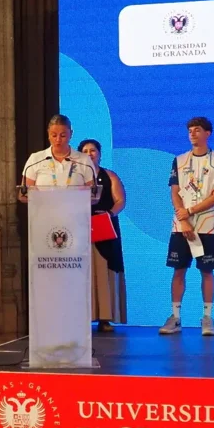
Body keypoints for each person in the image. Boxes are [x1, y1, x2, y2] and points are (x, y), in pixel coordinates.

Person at [159, 117, 214, 336]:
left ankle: (207, 318)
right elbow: (175, 192)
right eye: (190, 130)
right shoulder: (179, 161)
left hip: (207, 226)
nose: (192, 133)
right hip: (181, 226)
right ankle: (175, 317)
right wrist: (183, 219)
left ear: (208, 133)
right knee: (178, 270)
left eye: (197, 130)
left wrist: (190, 212)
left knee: (206, 271)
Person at [79, 139, 127, 332]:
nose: (89, 154)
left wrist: (109, 215)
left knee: (105, 270)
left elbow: (120, 200)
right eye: (85, 151)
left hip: (105, 227)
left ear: (99, 154)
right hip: (80, 227)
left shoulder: (110, 176)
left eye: (93, 150)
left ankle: (105, 318)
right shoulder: (74, 177)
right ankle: (82, 317)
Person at [18, 114, 95, 197]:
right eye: (54, 135)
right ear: (48, 134)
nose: (58, 140)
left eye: (63, 135)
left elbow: (93, 195)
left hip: (75, 205)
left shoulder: (84, 160)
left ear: (71, 134)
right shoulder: (35, 159)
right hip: (44, 205)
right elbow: (23, 195)